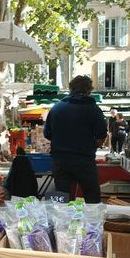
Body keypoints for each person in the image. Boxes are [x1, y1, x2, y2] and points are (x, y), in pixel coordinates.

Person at [43, 75, 107, 203]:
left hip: (60, 159)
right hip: (84, 159)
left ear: (70, 89)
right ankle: (91, 222)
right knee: (92, 197)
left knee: (61, 198)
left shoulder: (56, 108)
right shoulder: (93, 109)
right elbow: (101, 137)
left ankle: (61, 222)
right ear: (89, 90)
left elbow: (47, 134)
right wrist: (89, 144)